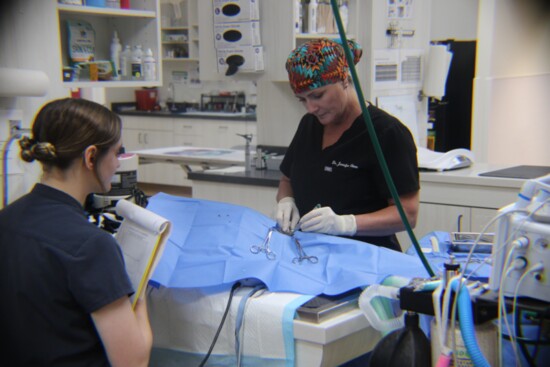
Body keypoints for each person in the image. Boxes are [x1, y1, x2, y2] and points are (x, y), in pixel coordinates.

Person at [0, 98, 152, 366]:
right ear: (91, 156)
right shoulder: (91, 246)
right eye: (117, 153)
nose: (118, 164)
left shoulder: (8, 218)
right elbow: (133, 362)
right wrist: (139, 293)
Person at [276, 38, 420, 251]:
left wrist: (346, 224)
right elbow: (287, 178)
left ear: (344, 79)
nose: (311, 108)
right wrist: (286, 201)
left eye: (317, 95)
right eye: (303, 100)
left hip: (365, 258)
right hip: (312, 253)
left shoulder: (385, 133)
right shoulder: (309, 125)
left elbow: (407, 214)